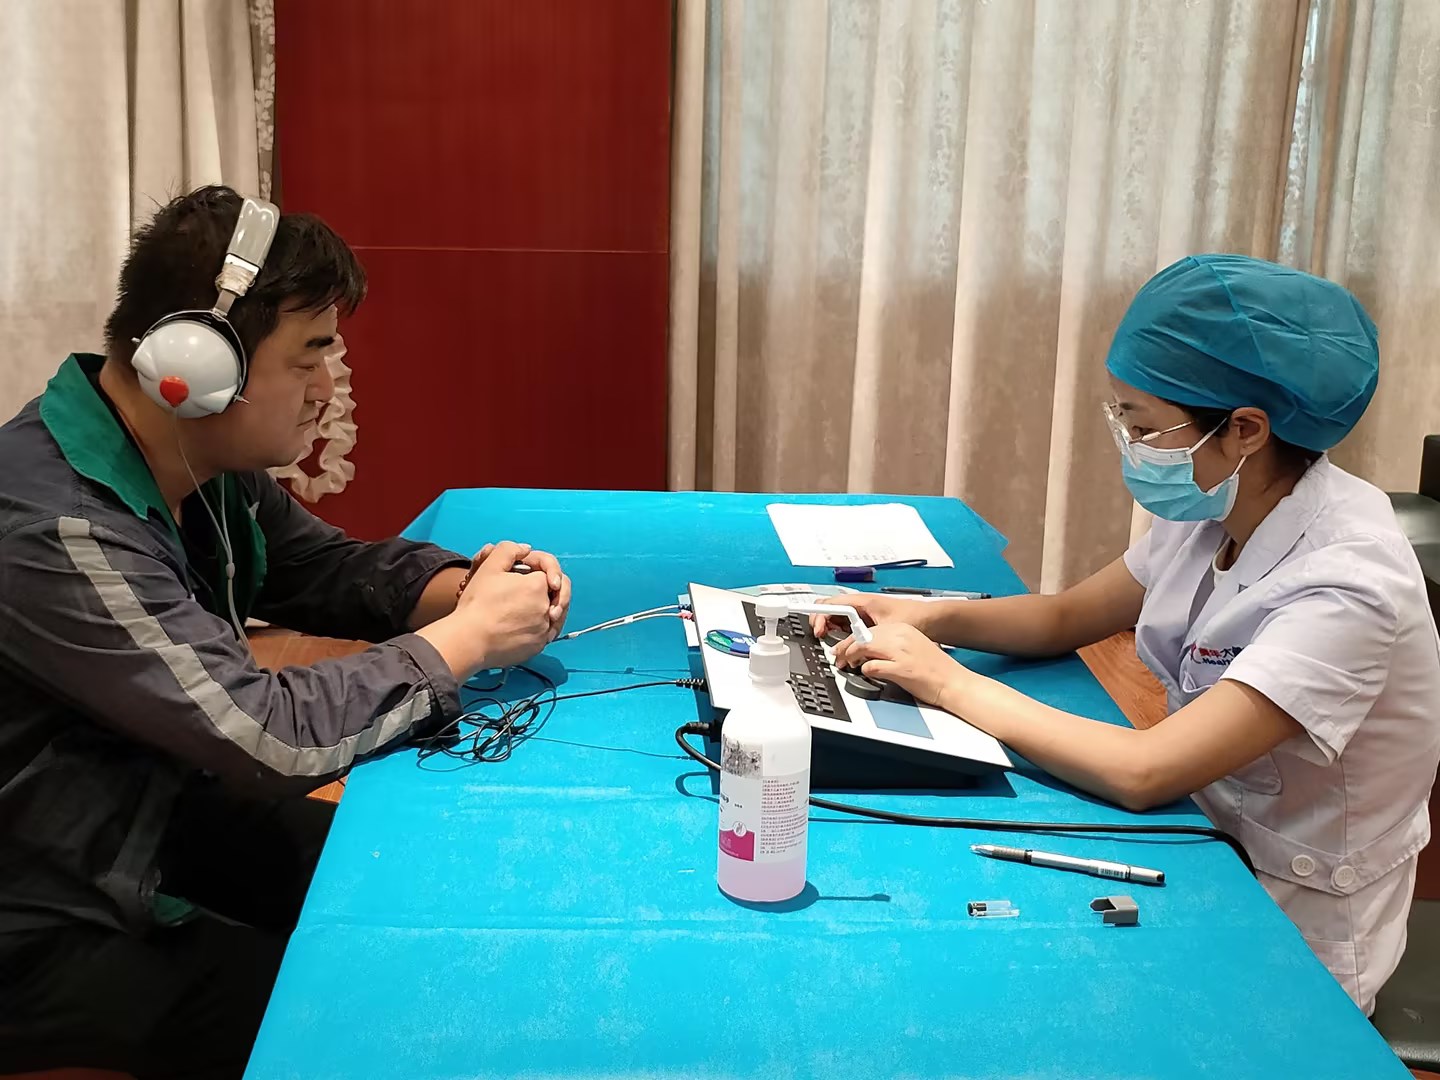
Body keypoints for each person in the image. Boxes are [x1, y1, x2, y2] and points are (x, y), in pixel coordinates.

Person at [0, 186, 572, 1076]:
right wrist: (466, 640)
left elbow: (318, 568)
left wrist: (468, 589)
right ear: (195, 363)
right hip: (44, 917)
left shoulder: (191, 454)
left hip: (155, 818)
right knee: (386, 1014)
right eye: (309, 355)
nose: (327, 389)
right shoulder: (57, 528)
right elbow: (263, 732)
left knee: (424, 885)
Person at [815, 255, 1440, 1015]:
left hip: (1297, 917)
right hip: (1205, 837)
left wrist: (945, 680)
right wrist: (923, 615)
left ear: (1245, 429)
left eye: (1143, 426)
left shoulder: (1349, 584)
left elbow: (1146, 770)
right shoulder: (1222, 500)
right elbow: (1064, 617)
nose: (1131, 445)